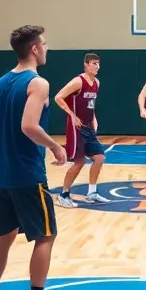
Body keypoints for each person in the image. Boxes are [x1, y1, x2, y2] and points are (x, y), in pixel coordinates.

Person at [0, 25, 70, 290]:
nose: (47, 48)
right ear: (34, 49)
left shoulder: (0, 82)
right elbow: (29, 126)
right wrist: (55, 146)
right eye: (44, 43)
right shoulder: (37, 83)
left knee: (5, 235)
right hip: (27, 174)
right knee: (45, 236)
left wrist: (0, 145)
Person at [54, 53, 111, 207]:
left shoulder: (97, 82)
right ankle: (63, 194)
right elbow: (58, 97)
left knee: (99, 158)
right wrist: (72, 115)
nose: (97, 66)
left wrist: (94, 118)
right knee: (79, 162)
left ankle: (92, 192)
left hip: (88, 126)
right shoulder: (78, 81)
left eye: (98, 63)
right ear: (86, 65)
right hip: (76, 127)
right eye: (93, 63)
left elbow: (91, 103)